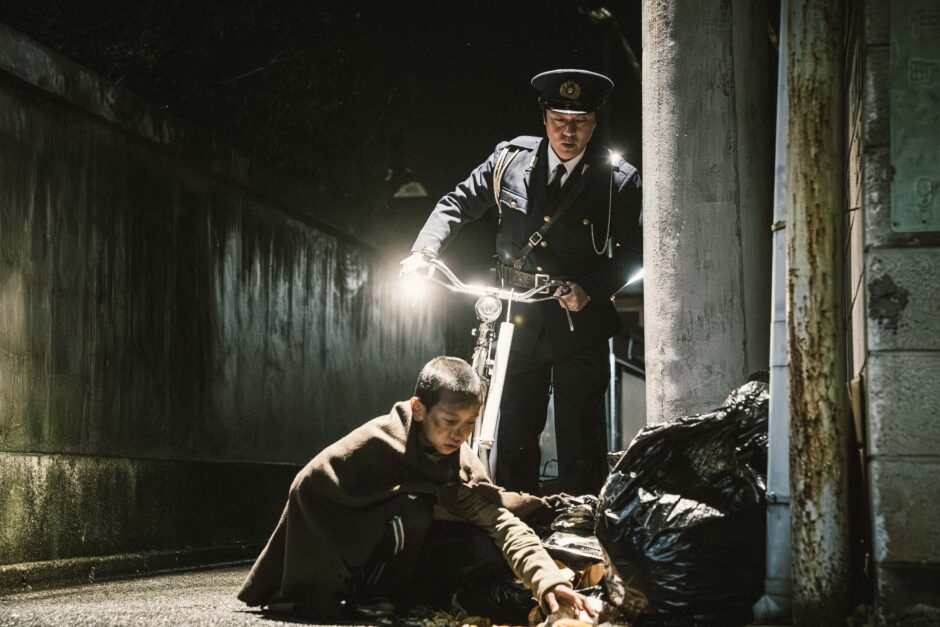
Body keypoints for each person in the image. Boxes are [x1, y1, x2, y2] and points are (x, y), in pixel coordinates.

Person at [400, 69, 642, 496]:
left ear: (594, 123)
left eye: (580, 121)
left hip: (578, 318)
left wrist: (591, 289)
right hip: (518, 314)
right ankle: (516, 512)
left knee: (580, 434)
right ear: (544, 117)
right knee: (513, 427)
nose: (568, 132)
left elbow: (636, 253)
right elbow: (457, 203)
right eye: (559, 120)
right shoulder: (509, 161)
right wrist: (423, 253)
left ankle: (580, 516)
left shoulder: (616, 179)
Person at [236, 356, 598, 622]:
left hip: (389, 548)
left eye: (469, 424)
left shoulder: (456, 461)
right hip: (332, 541)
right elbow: (311, 489)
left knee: (481, 546)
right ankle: (372, 595)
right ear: (419, 409)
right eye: (450, 421)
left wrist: (549, 581)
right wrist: (317, 587)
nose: (459, 434)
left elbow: (502, 522)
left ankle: (400, 594)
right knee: (414, 505)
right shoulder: (378, 444)